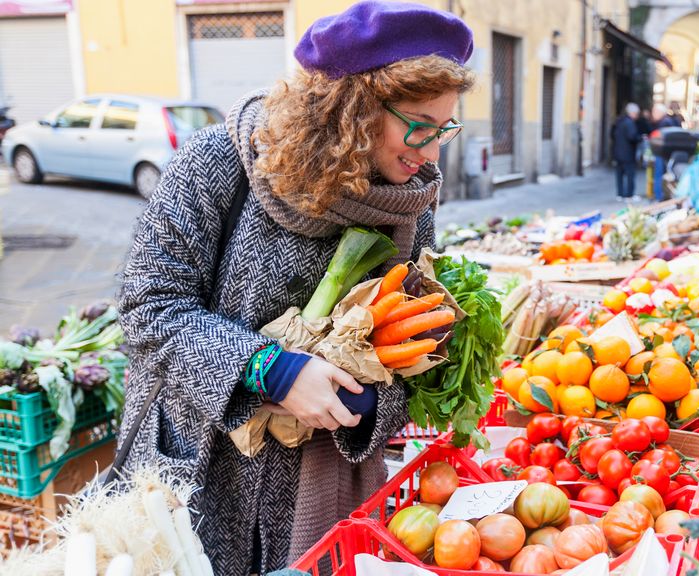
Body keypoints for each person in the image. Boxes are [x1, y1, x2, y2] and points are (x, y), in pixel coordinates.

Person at [116, 2, 474, 573]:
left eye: (444, 128)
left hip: (320, 493)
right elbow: (146, 309)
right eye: (419, 126)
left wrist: (367, 405)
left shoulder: (409, 200)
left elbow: (413, 350)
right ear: (351, 110)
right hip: (201, 472)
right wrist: (271, 372)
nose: (432, 153)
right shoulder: (216, 164)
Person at [611, 102, 641, 201]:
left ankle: (620, 194)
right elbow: (632, 137)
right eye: (636, 114)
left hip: (618, 152)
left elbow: (611, 134)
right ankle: (629, 195)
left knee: (619, 174)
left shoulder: (619, 121)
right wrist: (640, 138)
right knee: (630, 174)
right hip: (628, 153)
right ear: (632, 113)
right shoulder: (629, 123)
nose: (637, 116)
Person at [650, 103, 678, 201]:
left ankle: (659, 196)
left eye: (654, 111)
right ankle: (660, 195)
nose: (652, 114)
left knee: (658, 174)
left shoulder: (664, 123)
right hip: (664, 152)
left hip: (661, 153)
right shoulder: (667, 121)